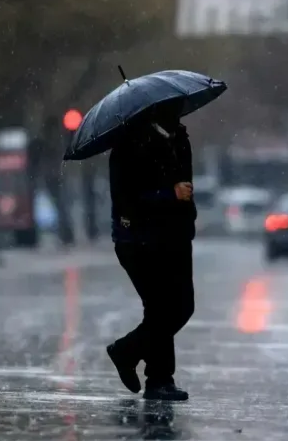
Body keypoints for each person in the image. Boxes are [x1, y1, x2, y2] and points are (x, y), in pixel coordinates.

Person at [106, 105, 196, 401]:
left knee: (180, 307)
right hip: (140, 240)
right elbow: (126, 200)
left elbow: (186, 184)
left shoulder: (180, 138)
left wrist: (186, 215)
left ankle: (133, 357)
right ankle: (156, 377)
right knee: (162, 309)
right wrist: (169, 195)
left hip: (177, 236)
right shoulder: (129, 143)